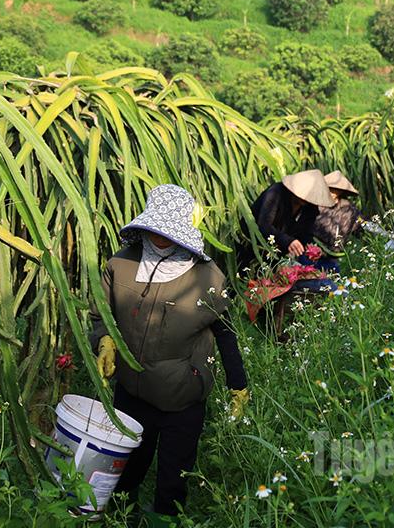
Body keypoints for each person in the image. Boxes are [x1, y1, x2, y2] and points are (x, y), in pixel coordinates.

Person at [89, 184, 248, 525]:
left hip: (183, 397)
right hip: (131, 393)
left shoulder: (207, 276)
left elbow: (226, 333)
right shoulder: (121, 265)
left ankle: (166, 520)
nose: (160, 238)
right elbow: (101, 314)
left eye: (168, 232)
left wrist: (239, 384)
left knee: (173, 479)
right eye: (155, 230)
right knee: (126, 472)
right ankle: (120, 517)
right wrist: (105, 341)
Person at [243, 170, 334, 333]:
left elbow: (306, 234)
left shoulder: (309, 208)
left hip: (277, 253)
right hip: (252, 245)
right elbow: (263, 225)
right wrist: (287, 240)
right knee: (247, 283)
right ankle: (250, 319)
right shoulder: (276, 193)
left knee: (276, 286)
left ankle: (271, 327)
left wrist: (311, 248)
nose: (304, 200)